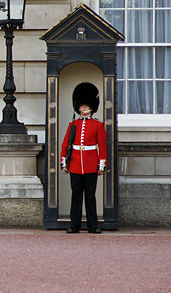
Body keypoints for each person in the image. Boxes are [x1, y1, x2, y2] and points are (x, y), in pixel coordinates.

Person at [61, 82, 107, 234]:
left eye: (87, 105)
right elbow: (65, 145)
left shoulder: (97, 125)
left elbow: (102, 147)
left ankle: (92, 225)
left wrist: (101, 166)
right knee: (76, 196)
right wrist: (64, 163)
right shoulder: (73, 124)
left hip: (90, 164)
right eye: (82, 106)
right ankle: (75, 225)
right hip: (74, 164)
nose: (84, 108)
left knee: (90, 196)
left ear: (92, 107)